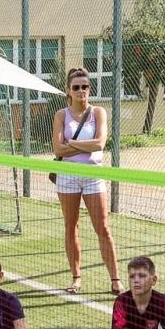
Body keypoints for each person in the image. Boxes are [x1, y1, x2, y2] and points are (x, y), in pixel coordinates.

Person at [52, 67, 122, 296]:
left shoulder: (98, 112)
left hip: (93, 175)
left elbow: (100, 144)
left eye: (85, 86)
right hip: (67, 176)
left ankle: (116, 280)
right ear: (68, 90)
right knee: (71, 227)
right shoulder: (61, 115)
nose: (81, 90)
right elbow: (58, 149)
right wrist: (84, 146)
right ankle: (76, 278)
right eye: (76, 87)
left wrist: (72, 143)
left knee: (103, 228)